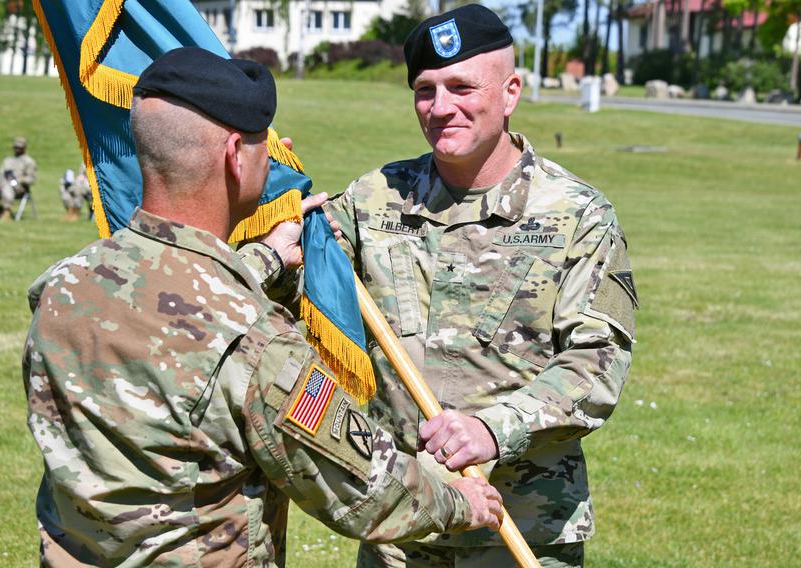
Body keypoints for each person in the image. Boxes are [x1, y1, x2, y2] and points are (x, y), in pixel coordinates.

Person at [23, 47, 503, 567]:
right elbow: (364, 485)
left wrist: (268, 257)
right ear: (234, 155)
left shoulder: (65, 283)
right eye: (265, 150)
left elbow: (171, 306)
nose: (273, 160)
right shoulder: (258, 343)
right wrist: (462, 501)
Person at [266, 5, 638, 567]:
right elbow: (305, 289)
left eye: (462, 87)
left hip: (518, 528)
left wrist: (493, 429)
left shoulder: (577, 215)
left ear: (510, 92)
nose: (441, 108)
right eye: (425, 89)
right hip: (402, 524)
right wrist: (260, 194)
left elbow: (598, 363)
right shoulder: (374, 200)